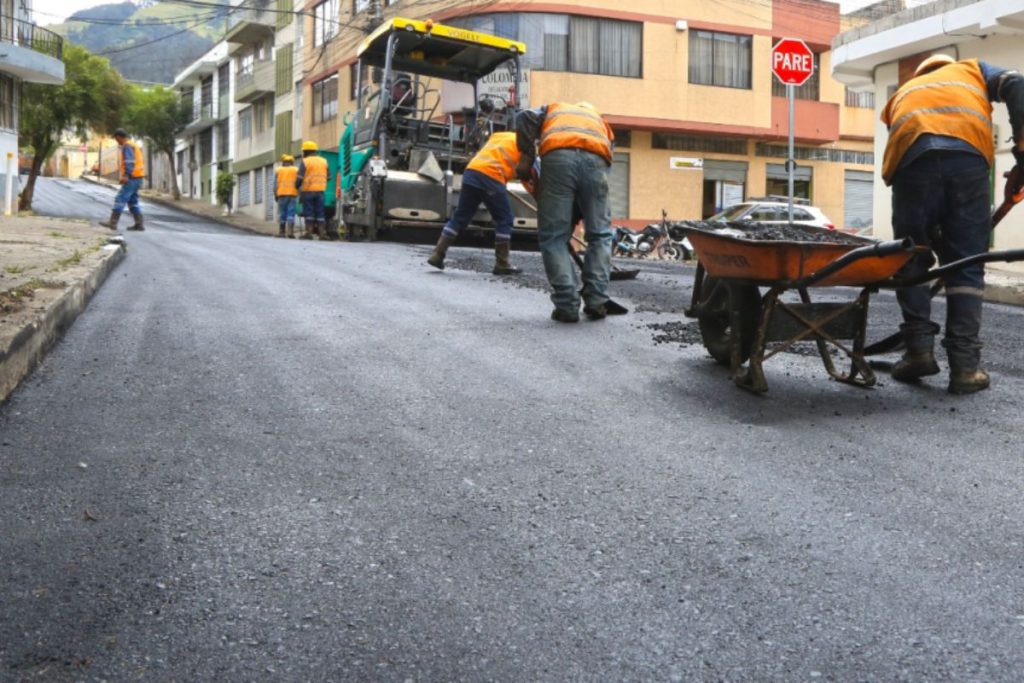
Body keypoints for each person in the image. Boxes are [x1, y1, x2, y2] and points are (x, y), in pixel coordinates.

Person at [881, 54, 1024, 394]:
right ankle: (965, 368)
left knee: (911, 256)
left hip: (912, 163)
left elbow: (915, 148)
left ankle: (918, 352)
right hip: (967, 161)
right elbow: (1016, 83)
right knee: (966, 264)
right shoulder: (972, 69)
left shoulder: (902, 94)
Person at [515, 101, 618, 322]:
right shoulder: (600, 121)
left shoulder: (553, 109)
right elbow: (607, 162)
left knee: (554, 237)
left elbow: (524, 117)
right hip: (597, 163)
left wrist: (527, 156)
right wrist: (580, 210)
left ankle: (567, 305)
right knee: (600, 235)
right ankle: (597, 300)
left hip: (558, 157)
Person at [427, 130, 522, 276]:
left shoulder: (500, 135)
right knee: (505, 219)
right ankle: (502, 264)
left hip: (472, 172)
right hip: (492, 176)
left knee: (460, 217)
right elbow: (526, 171)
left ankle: (437, 254)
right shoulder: (527, 145)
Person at [99, 128, 145, 231]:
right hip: (138, 177)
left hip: (132, 177)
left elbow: (129, 161)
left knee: (120, 198)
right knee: (133, 201)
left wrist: (126, 175)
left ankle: (112, 223)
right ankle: (139, 224)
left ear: (119, 137)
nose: (117, 141)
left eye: (116, 139)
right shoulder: (133, 144)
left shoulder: (127, 145)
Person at [295, 140, 330, 240]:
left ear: (306, 152)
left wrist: (297, 186)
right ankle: (322, 234)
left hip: (308, 191)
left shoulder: (305, 161)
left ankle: (308, 233)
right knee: (320, 212)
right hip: (320, 191)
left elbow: (300, 177)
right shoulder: (324, 161)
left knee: (309, 212)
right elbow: (329, 177)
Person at [274, 154, 298, 238]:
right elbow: (299, 182)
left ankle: (282, 232)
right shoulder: (296, 170)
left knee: (282, 213)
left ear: (283, 162)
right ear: (292, 162)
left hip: (282, 195)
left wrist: (275, 194)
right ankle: (290, 232)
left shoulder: (278, 170)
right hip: (292, 195)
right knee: (291, 213)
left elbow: (275, 184)